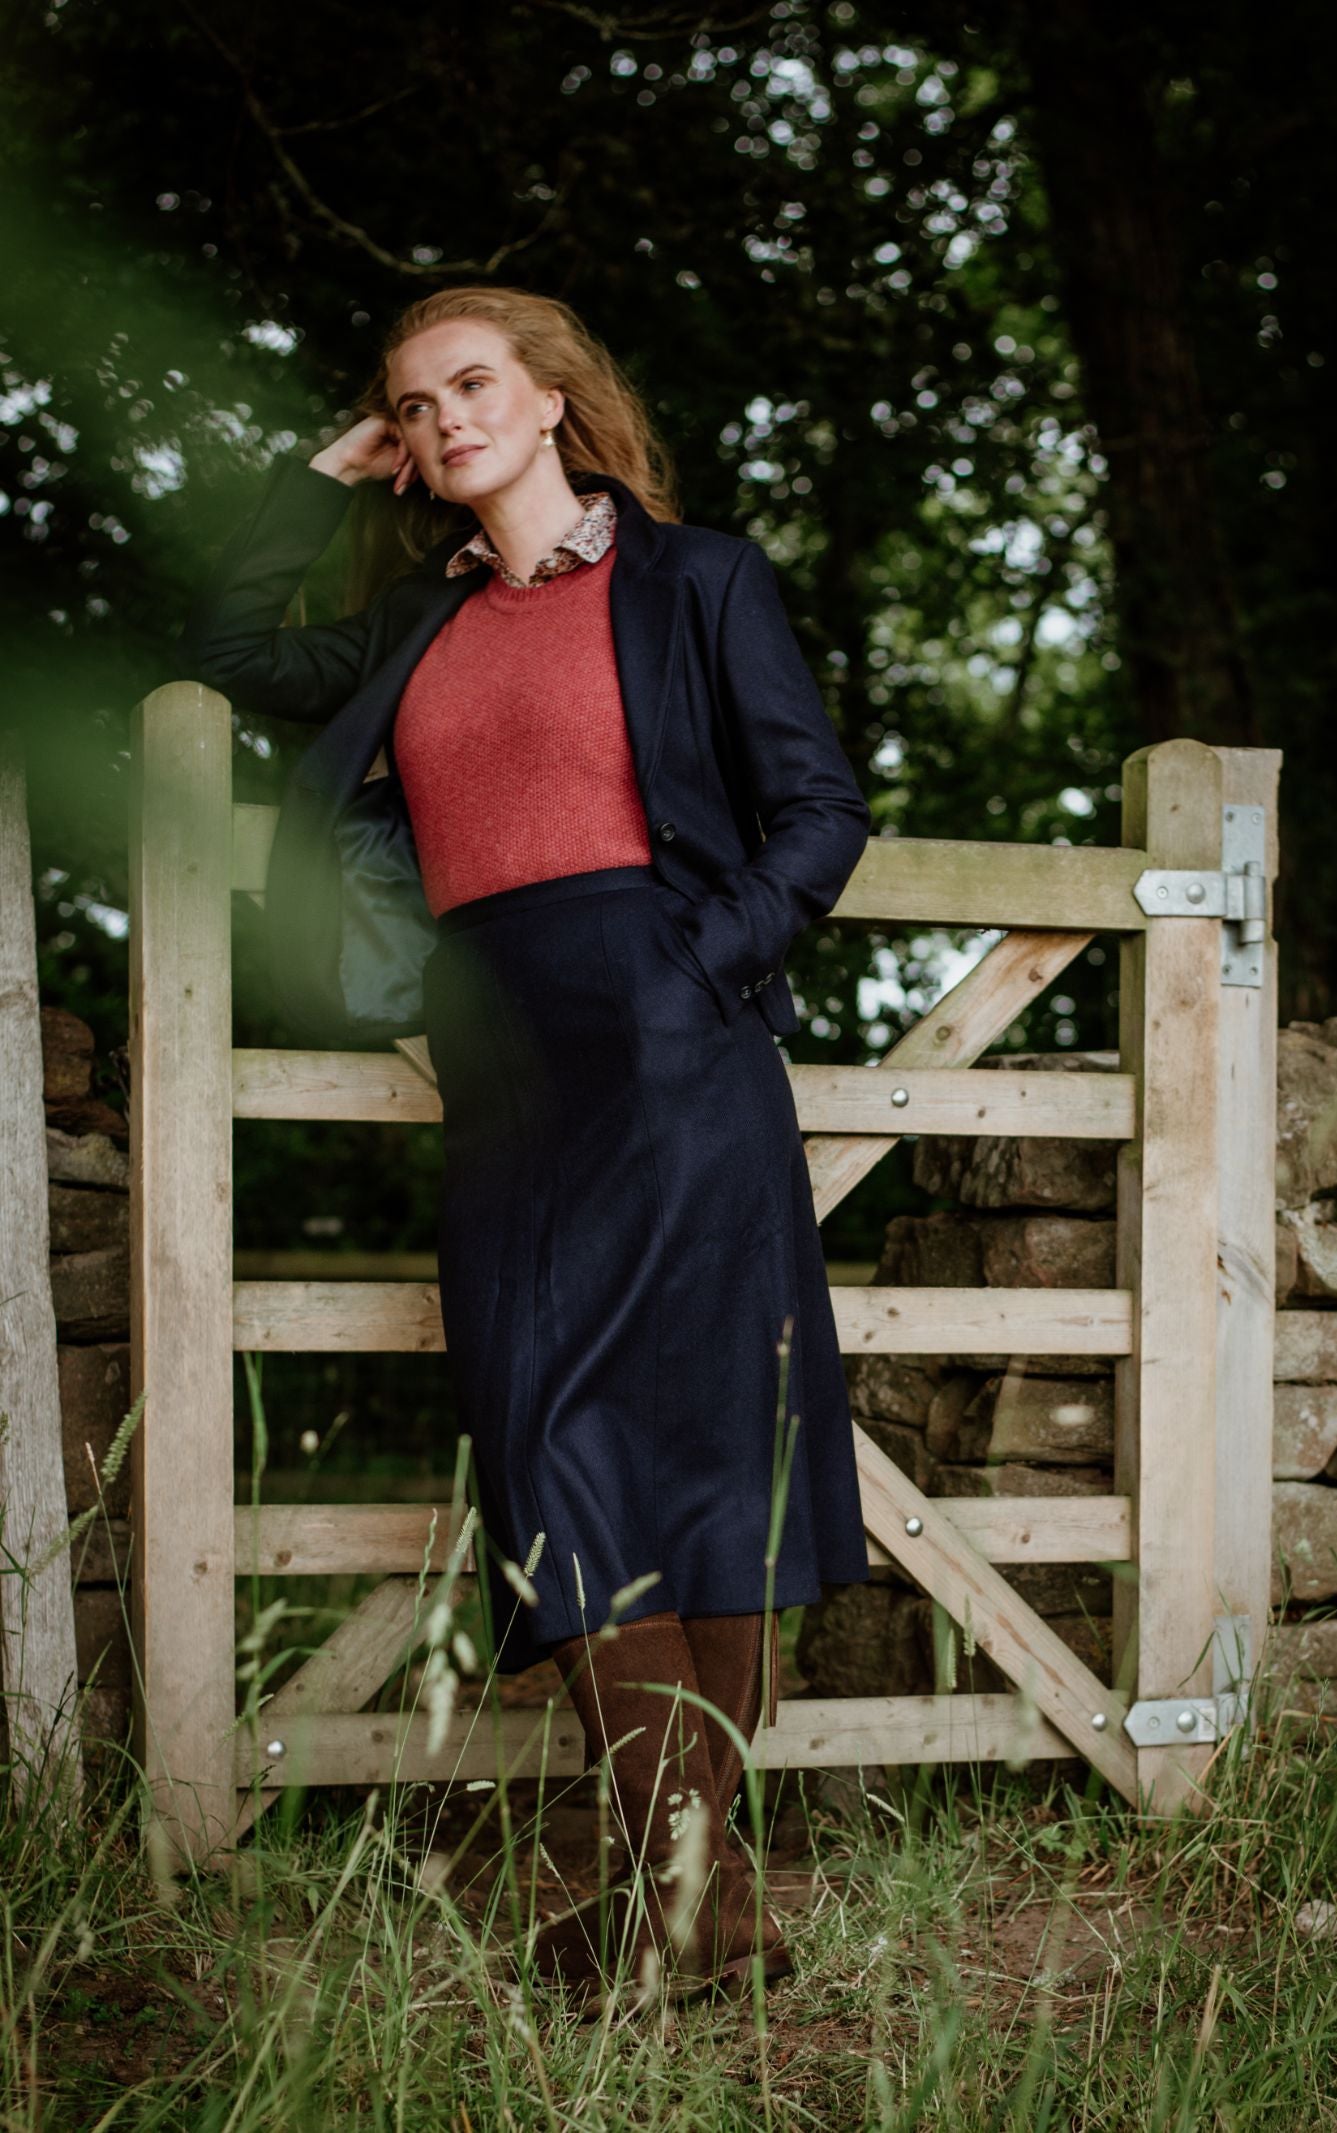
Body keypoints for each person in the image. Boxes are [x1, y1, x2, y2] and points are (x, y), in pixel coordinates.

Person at [178, 284, 874, 2010]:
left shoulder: (695, 581)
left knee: (710, 1465)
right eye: (412, 405)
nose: (441, 419)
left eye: (470, 384)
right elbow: (233, 647)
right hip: (500, 1058)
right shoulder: (414, 626)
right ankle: (702, 1902)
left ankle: (665, 1906)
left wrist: (697, 971)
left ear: (554, 396)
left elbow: (817, 807)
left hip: (674, 1042)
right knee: (545, 1445)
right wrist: (325, 472)